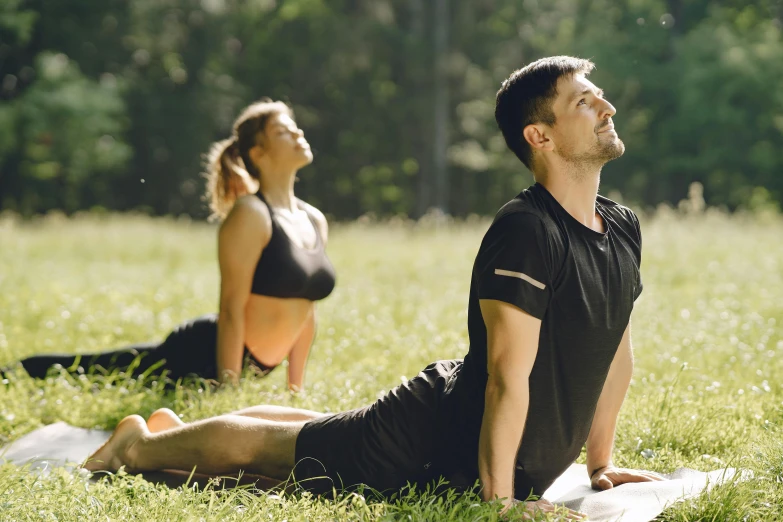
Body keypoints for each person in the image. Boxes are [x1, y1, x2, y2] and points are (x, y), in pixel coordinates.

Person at [84, 56, 664, 518]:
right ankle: (135, 446)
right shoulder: (527, 231)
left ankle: (174, 433)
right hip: (432, 441)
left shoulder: (620, 226)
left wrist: (601, 464)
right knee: (271, 452)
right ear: (540, 134)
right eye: (584, 102)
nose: (606, 106)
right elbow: (504, 378)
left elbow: (615, 353)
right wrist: (500, 500)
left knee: (314, 433)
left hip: (462, 430)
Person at [10, 100, 335, 391]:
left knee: (111, 369)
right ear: (258, 153)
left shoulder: (314, 219)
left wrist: (296, 391)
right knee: (95, 371)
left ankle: (27, 370)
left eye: (296, 128)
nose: (297, 134)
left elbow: (306, 312)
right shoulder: (251, 213)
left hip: (255, 365)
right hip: (202, 353)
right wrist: (229, 389)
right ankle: (20, 370)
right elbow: (231, 309)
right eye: (282, 131)